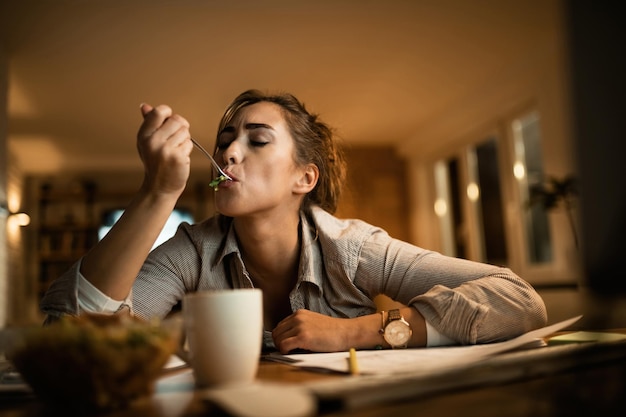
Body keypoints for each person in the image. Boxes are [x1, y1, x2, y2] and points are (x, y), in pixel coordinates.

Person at [41, 89, 547, 353]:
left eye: (257, 140)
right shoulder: (191, 251)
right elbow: (70, 335)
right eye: (224, 142)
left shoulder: (354, 249)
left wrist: (356, 333)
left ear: (304, 177)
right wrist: (159, 191)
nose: (230, 152)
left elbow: (519, 301)